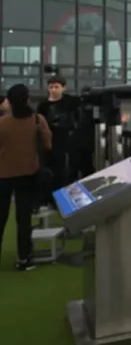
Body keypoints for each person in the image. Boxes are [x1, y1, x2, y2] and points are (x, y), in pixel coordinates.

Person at [0, 84, 52, 271]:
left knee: (1, 217)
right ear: (27, 99)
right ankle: (24, 258)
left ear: (10, 101)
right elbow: (47, 144)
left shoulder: (2, 123)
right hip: (28, 173)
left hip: (3, 174)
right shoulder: (38, 120)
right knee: (23, 219)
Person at [37, 75, 80, 191]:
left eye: (56, 87)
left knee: (65, 170)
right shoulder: (43, 105)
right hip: (50, 141)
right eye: (51, 87)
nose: (53, 90)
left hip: (67, 140)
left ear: (63, 88)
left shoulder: (71, 102)